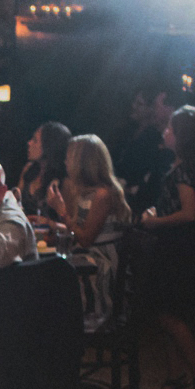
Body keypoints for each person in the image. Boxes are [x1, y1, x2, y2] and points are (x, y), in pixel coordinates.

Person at [139, 105, 195, 389]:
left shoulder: (183, 172)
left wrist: (154, 221)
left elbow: (188, 213)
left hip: (177, 251)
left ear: (184, 136)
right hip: (171, 248)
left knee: (171, 317)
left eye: (171, 128)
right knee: (163, 315)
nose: (165, 131)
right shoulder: (180, 167)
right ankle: (175, 377)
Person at [46, 134, 130, 332]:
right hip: (92, 255)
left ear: (81, 162)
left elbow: (85, 239)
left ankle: (72, 328)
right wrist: (51, 224)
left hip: (103, 263)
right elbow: (79, 230)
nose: (66, 161)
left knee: (56, 274)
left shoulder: (103, 194)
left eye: (69, 157)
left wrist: (61, 211)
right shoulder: (87, 192)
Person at [113, 83, 176, 213]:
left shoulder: (157, 138)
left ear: (169, 109)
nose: (155, 110)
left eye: (156, 105)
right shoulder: (128, 129)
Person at [16, 120, 70, 219]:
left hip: (49, 233)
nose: (29, 143)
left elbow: (70, 225)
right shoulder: (29, 169)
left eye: (35, 140)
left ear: (49, 146)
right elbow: (15, 203)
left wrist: (49, 223)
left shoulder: (64, 180)